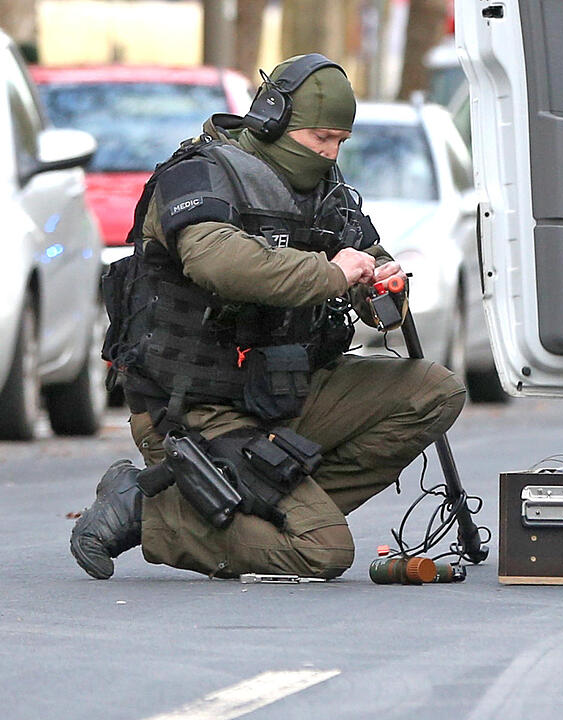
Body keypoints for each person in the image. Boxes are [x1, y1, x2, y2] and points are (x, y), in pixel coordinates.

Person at [69, 54, 466, 581]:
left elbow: (371, 271)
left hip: (283, 393)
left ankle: (263, 515)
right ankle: (150, 513)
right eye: (321, 138)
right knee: (322, 554)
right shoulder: (199, 174)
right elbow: (216, 259)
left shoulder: (328, 195)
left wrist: (382, 290)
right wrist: (330, 274)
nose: (329, 153)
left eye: (341, 143)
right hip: (195, 408)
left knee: (433, 391)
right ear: (274, 119)